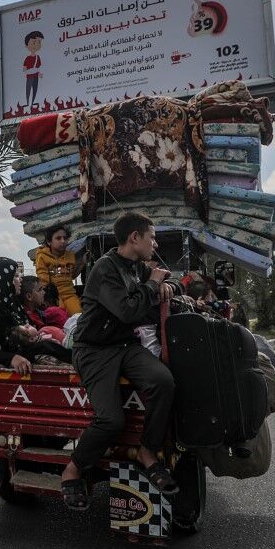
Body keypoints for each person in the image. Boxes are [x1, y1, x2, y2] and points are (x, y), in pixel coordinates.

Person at [59, 212, 182, 511]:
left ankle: (148, 452)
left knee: (163, 381)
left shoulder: (136, 267)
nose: (154, 243)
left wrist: (168, 285)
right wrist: (153, 284)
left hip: (125, 345)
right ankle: (73, 470)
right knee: (111, 420)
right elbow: (127, 311)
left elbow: (170, 279)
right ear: (134, 238)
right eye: (151, 236)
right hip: (94, 349)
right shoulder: (105, 268)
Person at [0, 258, 71, 373]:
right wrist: (12, 358)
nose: (20, 280)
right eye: (16, 276)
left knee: (49, 346)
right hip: (7, 366)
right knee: (47, 347)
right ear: (4, 280)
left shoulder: (10, 305)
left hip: (25, 354)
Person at [35, 225, 83, 314]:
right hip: (54, 296)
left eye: (65, 238)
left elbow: (71, 276)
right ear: (49, 242)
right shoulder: (42, 256)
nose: (63, 241)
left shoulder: (70, 256)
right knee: (60, 317)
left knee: (77, 315)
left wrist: (82, 263)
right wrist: (48, 299)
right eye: (58, 238)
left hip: (70, 295)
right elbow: (43, 280)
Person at [23, 30, 43, 107]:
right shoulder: (27, 58)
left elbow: (38, 68)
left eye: (38, 43)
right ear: (26, 45)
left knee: (35, 89)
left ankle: (32, 103)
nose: (36, 45)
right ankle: (27, 103)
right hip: (29, 76)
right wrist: (27, 71)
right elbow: (24, 68)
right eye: (33, 43)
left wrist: (39, 73)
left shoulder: (38, 57)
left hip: (35, 76)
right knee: (28, 90)